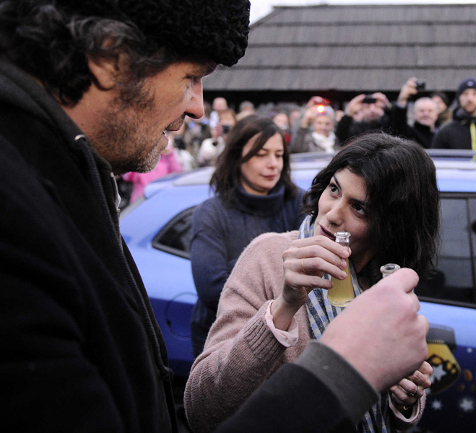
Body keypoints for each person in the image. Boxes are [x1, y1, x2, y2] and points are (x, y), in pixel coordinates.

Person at [1, 0, 431, 431]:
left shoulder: (71, 181)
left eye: (359, 207)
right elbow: (202, 403)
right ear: (112, 54)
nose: (198, 108)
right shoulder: (18, 212)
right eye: (191, 77)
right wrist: (343, 369)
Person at [185, 133, 439, 433]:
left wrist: (405, 396)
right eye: (333, 189)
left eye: (358, 208)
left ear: (390, 225)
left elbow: (376, 411)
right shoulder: (269, 257)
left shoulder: (386, 279)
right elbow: (201, 408)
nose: (331, 214)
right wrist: (284, 306)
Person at [190, 114, 306, 355]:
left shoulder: (299, 204)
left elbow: (310, 274)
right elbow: (212, 289)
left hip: (291, 339)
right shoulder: (211, 213)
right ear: (237, 157)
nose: (273, 164)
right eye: (261, 154)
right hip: (225, 343)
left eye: (278, 155)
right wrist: (277, 273)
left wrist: (238, 268)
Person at [391, 77, 439, 148]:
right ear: (415, 115)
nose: (426, 114)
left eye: (430, 111)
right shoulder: (410, 134)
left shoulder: (443, 133)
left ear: (436, 114)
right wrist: (402, 99)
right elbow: (398, 126)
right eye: (421, 111)